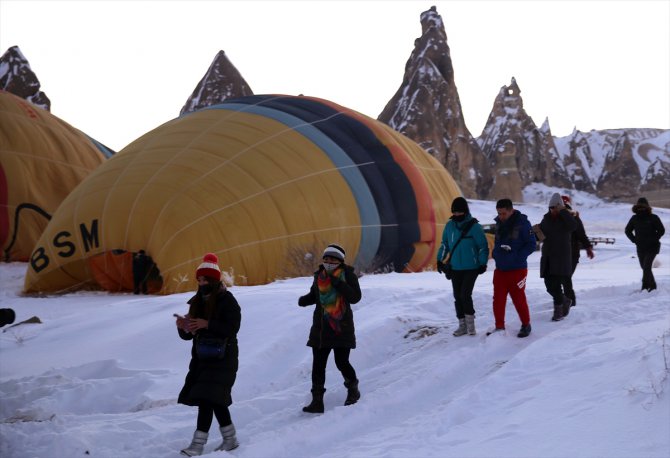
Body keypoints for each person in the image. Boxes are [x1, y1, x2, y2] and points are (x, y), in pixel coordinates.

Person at [176, 253, 241, 456]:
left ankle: (197, 445)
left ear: (214, 280)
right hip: (202, 359)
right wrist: (184, 327)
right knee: (215, 400)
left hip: (223, 358)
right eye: (199, 280)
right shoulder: (197, 301)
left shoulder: (227, 300)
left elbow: (232, 327)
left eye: (205, 279)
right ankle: (230, 439)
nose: (202, 283)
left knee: (207, 399)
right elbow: (189, 337)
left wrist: (208, 323)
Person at [298, 243, 362, 413]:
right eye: (326, 258)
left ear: (340, 261)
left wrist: (338, 283)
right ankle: (317, 401)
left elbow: (355, 297)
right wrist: (305, 300)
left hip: (341, 327)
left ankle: (353, 390)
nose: (328, 261)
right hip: (321, 329)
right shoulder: (319, 276)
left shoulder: (348, 275)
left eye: (332, 259)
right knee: (318, 365)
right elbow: (315, 295)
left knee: (342, 362)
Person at [436, 197, 489, 336]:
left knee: (465, 294)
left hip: (471, 267)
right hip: (455, 268)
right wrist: (439, 260)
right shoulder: (449, 226)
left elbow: (483, 246)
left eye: (460, 212)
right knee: (457, 296)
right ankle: (462, 325)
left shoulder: (474, 226)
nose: (457, 215)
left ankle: (471, 326)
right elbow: (444, 244)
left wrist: (482, 263)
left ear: (465, 211)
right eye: (455, 213)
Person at [488, 199, 536, 338]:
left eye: (503, 213)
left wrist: (517, 257)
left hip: (517, 269)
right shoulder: (498, 223)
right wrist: (496, 254)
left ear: (511, 210)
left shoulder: (523, 224)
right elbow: (497, 242)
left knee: (518, 298)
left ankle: (526, 324)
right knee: (498, 299)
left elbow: (531, 244)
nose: (501, 216)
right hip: (500, 269)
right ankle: (499, 326)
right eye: (499, 213)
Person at [537, 193, 578, 321]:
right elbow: (540, 235)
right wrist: (532, 232)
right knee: (549, 285)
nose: (553, 210)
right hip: (548, 256)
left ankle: (558, 310)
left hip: (561, 258)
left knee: (555, 284)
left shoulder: (567, 219)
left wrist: (563, 211)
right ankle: (565, 300)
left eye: (556, 207)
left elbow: (573, 226)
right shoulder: (546, 219)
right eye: (551, 208)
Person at [625, 197, 665, 292]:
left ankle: (651, 287)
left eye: (643, 207)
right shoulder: (634, 218)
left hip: (652, 247)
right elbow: (627, 231)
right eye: (639, 207)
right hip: (640, 247)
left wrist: (654, 239)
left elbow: (661, 230)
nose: (641, 209)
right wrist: (634, 240)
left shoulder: (653, 217)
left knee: (646, 267)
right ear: (637, 207)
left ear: (647, 207)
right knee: (644, 268)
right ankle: (647, 286)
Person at [561, 195, 595, 306]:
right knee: (564, 278)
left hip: (571, 254)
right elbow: (582, 234)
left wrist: (588, 247)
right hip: (563, 254)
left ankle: (570, 301)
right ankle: (566, 300)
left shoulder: (573, 218)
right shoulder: (553, 217)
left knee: (565, 278)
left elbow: (581, 234)